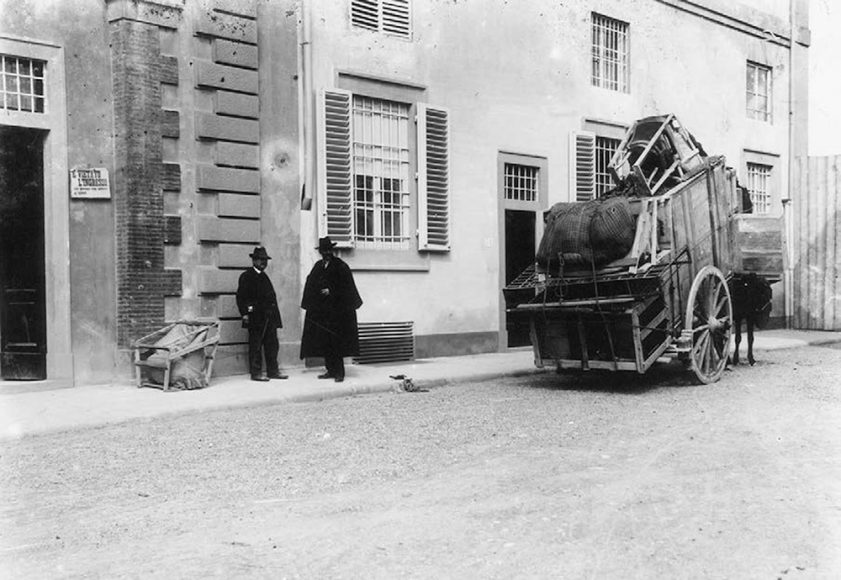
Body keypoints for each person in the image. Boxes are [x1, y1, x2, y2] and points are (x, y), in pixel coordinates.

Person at [300, 237, 363, 382]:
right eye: (324, 251)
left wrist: (331, 291)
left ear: (332, 251)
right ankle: (330, 370)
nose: (327, 253)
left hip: (337, 314)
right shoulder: (318, 266)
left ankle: (339, 372)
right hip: (322, 314)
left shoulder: (340, 266)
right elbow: (311, 284)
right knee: (325, 342)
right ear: (321, 252)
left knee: (337, 343)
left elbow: (347, 288)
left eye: (329, 250)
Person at [236, 246, 288, 382]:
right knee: (256, 345)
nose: (263, 262)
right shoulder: (246, 276)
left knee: (272, 345)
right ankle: (256, 373)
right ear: (254, 261)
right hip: (256, 318)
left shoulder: (264, 276)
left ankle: (273, 371)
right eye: (260, 260)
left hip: (269, 317)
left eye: (265, 260)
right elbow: (241, 297)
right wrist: (245, 313)